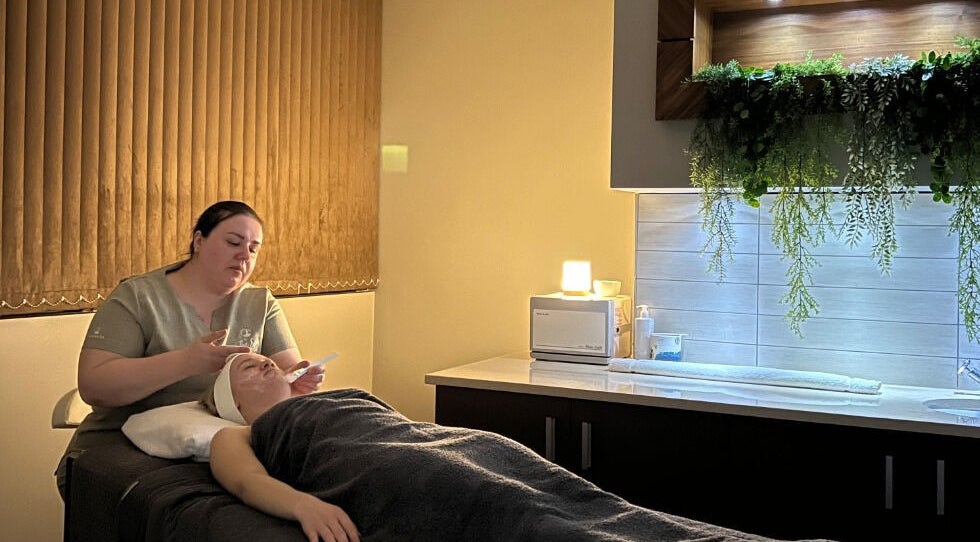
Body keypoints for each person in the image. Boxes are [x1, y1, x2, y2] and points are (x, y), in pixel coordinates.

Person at [203, 352, 828, 542]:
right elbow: (245, 483)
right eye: (245, 368)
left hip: (454, 444)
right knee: (532, 523)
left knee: (594, 508)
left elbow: (395, 425)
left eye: (263, 358)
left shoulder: (336, 396)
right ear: (232, 399)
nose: (262, 361)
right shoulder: (238, 434)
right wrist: (304, 506)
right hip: (401, 472)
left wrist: (305, 392)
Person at [56, 201, 324, 498]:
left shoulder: (260, 303)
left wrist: (297, 383)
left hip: (224, 450)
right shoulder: (139, 297)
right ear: (199, 241)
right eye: (233, 242)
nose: (244, 255)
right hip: (122, 447)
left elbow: (288, 377)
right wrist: (186, 362)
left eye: (253, 249)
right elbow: (94, 385)